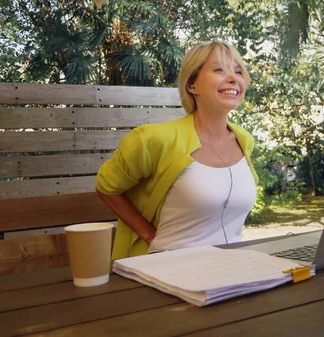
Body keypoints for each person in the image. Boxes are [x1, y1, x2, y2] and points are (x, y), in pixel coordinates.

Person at [96, 41, 259, 260]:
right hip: (168, 269)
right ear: (192, 85)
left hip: (232, 267)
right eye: (219, 69)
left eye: (238, 71)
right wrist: (148, 235)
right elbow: (106, 187)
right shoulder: (154, 140)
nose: (233, 78)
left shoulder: (244, 140)